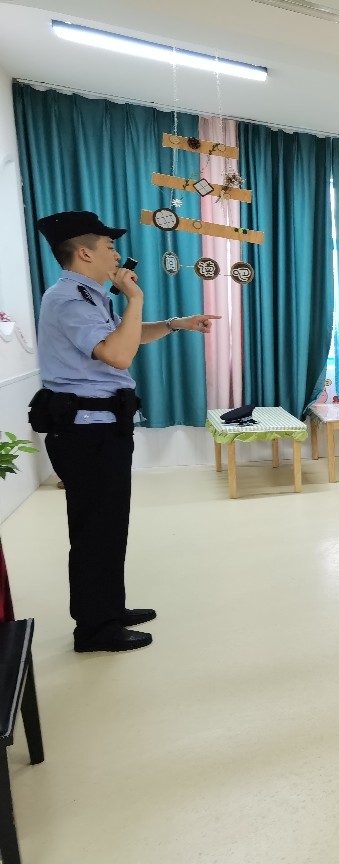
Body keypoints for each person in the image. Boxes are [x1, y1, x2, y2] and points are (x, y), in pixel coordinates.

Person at [30, 210, 219, 652]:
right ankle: (96, 629)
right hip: (86, 432)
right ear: (84, 253)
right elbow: (118, 355)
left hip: (100, 429)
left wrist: (176, 324)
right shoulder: (69, 298)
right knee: (97, 530)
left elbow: (125, 337)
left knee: (108, 527)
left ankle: (108, 610)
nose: (117, 255)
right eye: (109, 246)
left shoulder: (89, 295)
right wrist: (135, 299)